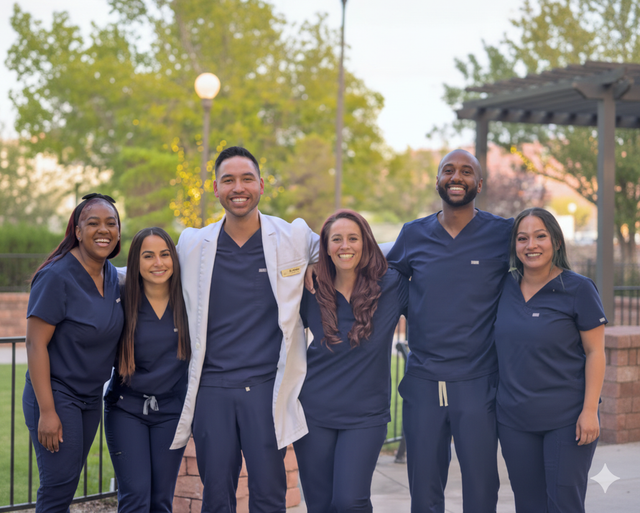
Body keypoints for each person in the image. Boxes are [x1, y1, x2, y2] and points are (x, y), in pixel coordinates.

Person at [169, 146, 319, 512]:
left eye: (247, 178)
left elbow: (348, 249)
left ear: (262, 185)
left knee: (269, 495)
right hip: (212, 390)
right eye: (229, 180)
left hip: (267, 389)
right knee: (217, 497)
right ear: (216, 189)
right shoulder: (193, 243)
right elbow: (144, 275)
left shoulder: (293, 237)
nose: (239, 187)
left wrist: (316, 262)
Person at [386, 149, 512, 513]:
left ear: (480, 183)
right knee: (423, 492)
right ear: (437, 179)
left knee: (482, 488)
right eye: (449, 170)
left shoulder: (502, 234)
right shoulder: (413, 234)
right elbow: (381, 280)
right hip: (424, 380)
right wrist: (318, 264)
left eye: (466, 171)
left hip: (478, 382)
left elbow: (540, 262)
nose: (457, 177)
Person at [293, 210, 408, 513]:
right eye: (337, 239)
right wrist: (306, 264)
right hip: (314, 413)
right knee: (319, 504)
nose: (345, 246)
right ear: (325, 247)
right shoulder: (310, 288)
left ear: (365, 242)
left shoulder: (392, 285)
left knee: (349, 501)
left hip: (365, 415)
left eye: (353, 238)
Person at [494, 208, 606, 513]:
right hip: (514, 421)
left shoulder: (579, 289)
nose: (531, 245)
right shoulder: (502, 288)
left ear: (556, 241)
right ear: (515, 246)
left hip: (567, 420)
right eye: (522, 238)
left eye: (540, 236)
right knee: (528, 506)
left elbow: (596, 352)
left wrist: (589, 411)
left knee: (564, 505)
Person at [23, 193, 124, 513]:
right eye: (93, 223)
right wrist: (48, 412)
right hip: (56, 394)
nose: (103, 229)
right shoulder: (56, 276)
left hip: (90, 397)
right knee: (58, 485)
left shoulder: (111, 275)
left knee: (66, 484)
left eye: (111, 223)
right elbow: (34, 344)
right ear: (77, 231)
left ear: (119, 232)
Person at [104, 227, 190, 512]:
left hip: (171, 412)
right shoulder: (121, 298)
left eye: (165, 255)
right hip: (127, 409)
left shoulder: (189, 301)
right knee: (135, 497)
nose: (158, 263)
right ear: (135, 262)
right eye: (148, 256)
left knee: (160, 501)